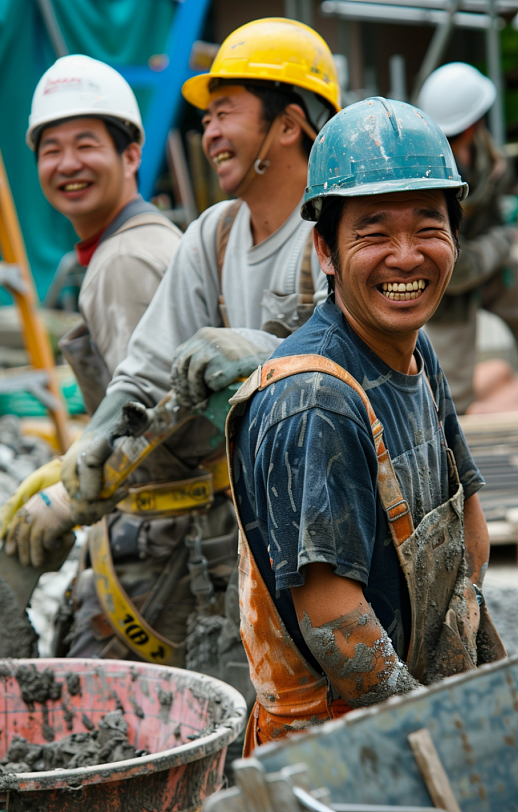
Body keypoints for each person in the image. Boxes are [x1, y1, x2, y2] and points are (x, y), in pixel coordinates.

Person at [2, 19, 340, 688]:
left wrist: (271, 355)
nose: (208, 133)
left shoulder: (335, 231)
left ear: (288, 123)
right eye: (207, 116)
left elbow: (370, 373)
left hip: (332, 526)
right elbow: (146, 372)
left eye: (224, 114)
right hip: (257, 529)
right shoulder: (213, 235)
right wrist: (98, 441)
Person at [226, 96, 506, 755]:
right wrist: (442, 733)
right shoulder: (312, 400)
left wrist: (480, 678)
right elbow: (336, 624)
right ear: (325, 249)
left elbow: (465, 514)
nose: (405, 257)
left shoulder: (413, 347)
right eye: (373, 233)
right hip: (335, 747)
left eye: (427, 228)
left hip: (407, 708)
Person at [0, 54, 181, 602]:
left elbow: (152, 421)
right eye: (51, 150)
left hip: (171, 537)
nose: (67, 163)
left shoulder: (123, 260)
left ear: (131, 155)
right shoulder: (149, 239)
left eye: (85, 145)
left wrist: (66, 495)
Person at [419, 62, 518, 414]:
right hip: (448, 286)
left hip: (488, 268)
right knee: (451, 401)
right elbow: (456, 271)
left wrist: (496, 245)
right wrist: (503, 240)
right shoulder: (426, 174)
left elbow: (495, 221)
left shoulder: (491, 161)